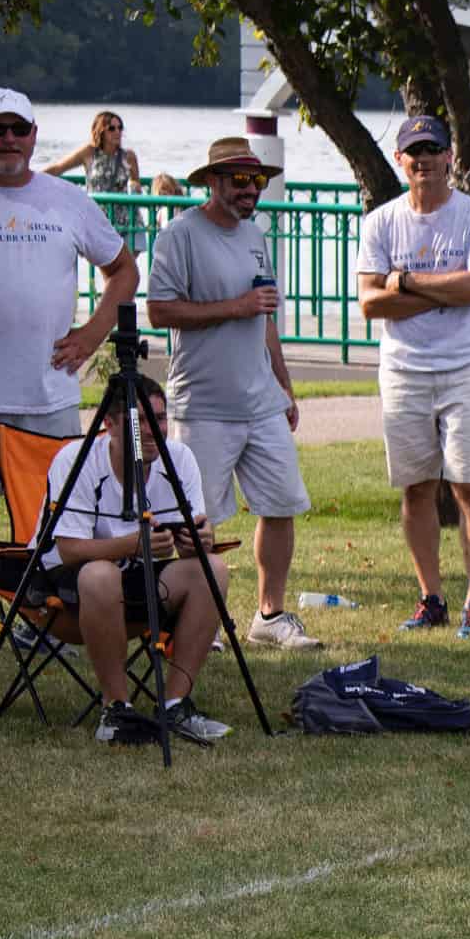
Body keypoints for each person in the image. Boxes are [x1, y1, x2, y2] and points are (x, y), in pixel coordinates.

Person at [0, 88, 139, 660]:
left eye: (19, 129)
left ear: (35, 135)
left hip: (48, 390)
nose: (9, 140)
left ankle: (43, 620)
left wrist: (91, 334)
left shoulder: (67, 199)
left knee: (57, 515)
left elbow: (124, 269)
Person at [146, 137, 318, 651]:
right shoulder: (179, 236)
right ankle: (201, 617)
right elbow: (160, 312)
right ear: (213, 183)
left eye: (257, 181)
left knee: (281, 504)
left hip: (261, 401)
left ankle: (270, 615)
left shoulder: (254, 236)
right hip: (204, 404)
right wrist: (235, 306)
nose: (250, 190)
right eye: (239, 180)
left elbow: (264, 316)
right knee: (200, 519)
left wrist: (283, 384)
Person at [355, 116, 470, 638]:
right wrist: (443, 287)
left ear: (449, 158)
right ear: (400, 160)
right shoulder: (380, 223)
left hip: (464, 367)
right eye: (412, 152)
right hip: (403, 372)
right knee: (416, 490)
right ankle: (430, 597)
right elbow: (371, 303)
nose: (422, 161)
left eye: (432, 151)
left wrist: (408, 282)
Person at [33, 375, 232, 747]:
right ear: (109, 424)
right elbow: (69, 549)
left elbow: (191, 541)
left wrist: (199, 540)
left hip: (135, 580)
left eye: (159, 417)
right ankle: (116, 709)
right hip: (65, 590)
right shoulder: (76, 461)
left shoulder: (179, 458)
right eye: (138, 421)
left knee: (212, 570)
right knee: (99, 576)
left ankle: (174, 704)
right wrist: (134, 545)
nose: (152, 430)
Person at [45, 110, 139, 193]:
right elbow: (58, 167)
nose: (117, 132)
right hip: (95, 210)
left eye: (120, 128)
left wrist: (135, 185)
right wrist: (34, 179)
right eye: (112, 128)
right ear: (101, 131)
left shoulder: (129, 156)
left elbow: (136, 183)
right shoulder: (89, 152)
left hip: (121, 212)